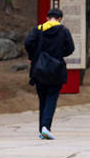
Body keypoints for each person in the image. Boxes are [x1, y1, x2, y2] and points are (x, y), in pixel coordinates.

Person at [24, 8, 75, 140]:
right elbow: (70, 48)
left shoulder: (39, 29)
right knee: (51, 98)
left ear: (47, 18)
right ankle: (46, 127)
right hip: (56, 69)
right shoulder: (64, 31)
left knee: (42, 99)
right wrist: (59, 54)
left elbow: (28, 43)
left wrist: (33, 56)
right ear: (60, 19)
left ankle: (42, 129)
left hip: (40, 69)